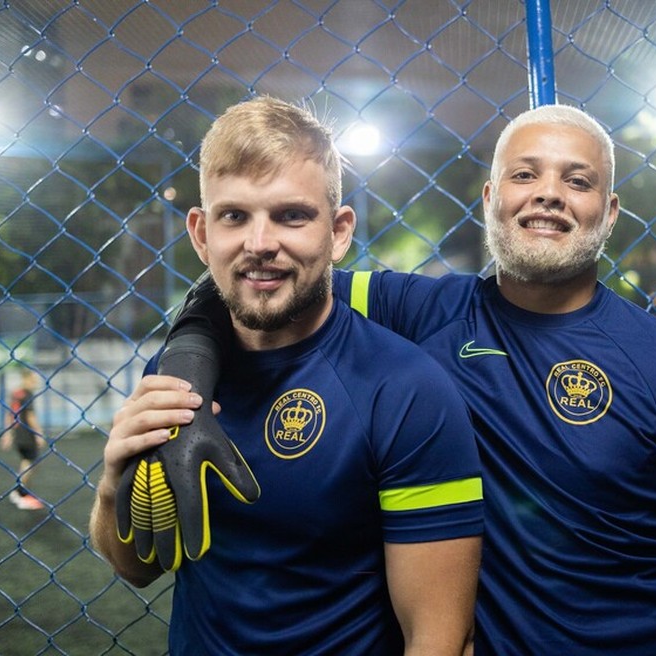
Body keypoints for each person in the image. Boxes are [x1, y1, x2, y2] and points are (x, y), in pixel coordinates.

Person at [163, 104, 656, 654]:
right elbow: (251, 282)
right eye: (524, 174)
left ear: (610, 211)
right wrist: (189, 362)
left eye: (578, 180)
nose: (548, 194)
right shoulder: (422, 311)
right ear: (490, 199)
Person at [89, 96, 484, 655]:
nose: (259, 244)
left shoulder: (405, 390)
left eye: (291, 215)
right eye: (235, 216)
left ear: (339, 231)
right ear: (202, 234)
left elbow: (440, 636)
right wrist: (113, 484)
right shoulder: (175, 378)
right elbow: (138, 568)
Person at [1, 368, 47, 510]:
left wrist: (7, 433)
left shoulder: (16, 393)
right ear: (26, 379)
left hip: (17, 433)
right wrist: (39, 434)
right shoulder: (27, 394)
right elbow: (30, 416)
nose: (36, 382)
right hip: (27, 434)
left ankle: (21, 492)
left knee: (27, 462)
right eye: (34, 379)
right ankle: (20, 493)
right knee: (30, 462)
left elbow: (9, 414)